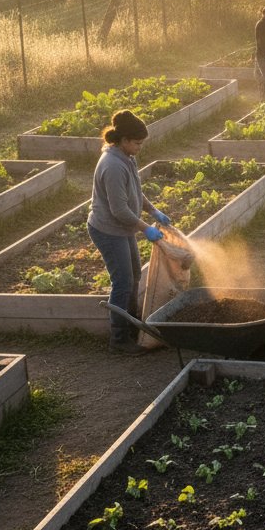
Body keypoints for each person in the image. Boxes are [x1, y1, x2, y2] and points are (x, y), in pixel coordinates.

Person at [87, 110, 171, 356]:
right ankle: (119, 339)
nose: (139, 147)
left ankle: (132, 324)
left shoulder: (126, 157)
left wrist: (153, 211)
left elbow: (135, 190)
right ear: (123, 140)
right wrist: (146, 228)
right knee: (122, 281)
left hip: (122, 228)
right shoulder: (112, 165)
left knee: (134, 275)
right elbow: (119, 209)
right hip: (107, 230)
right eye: (137, 143)